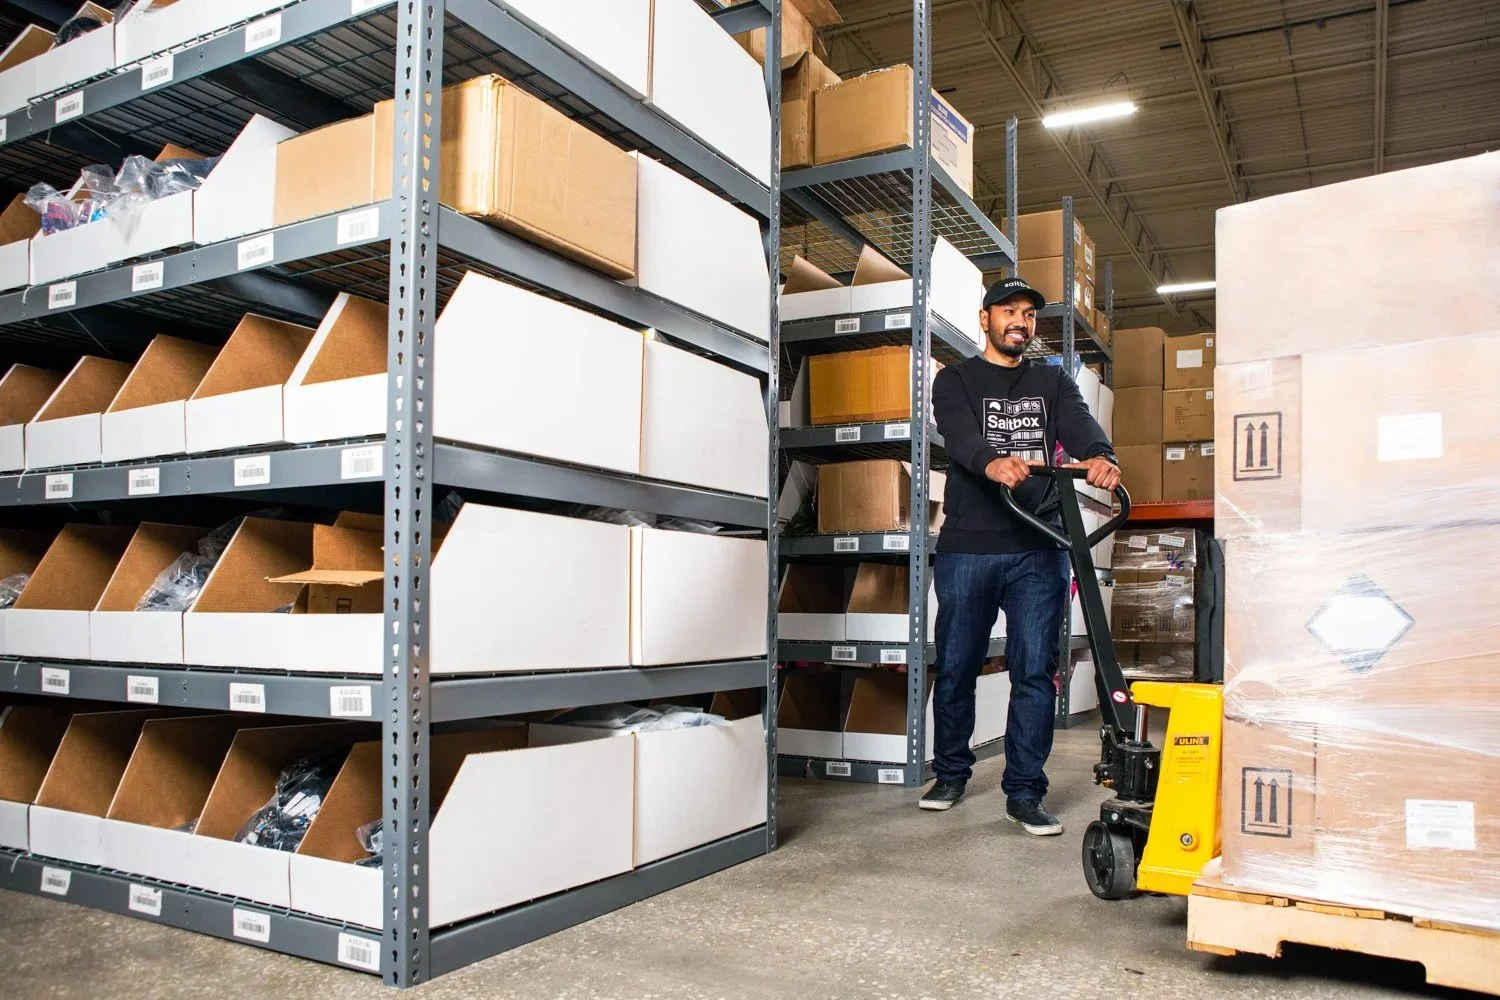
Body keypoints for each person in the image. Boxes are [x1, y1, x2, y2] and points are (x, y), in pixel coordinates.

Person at [919, 277, 1121, 835]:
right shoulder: (955, 380)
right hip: (970, 547)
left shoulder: (1051, 381)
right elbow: (958, 434)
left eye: (1028, 314)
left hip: (1039, 546)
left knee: (1035, 671)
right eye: (1008, 310)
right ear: (984, 319)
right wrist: (991, 461)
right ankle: (952, 773)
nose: (1019, 321)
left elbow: (1079, 425)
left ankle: (1025, 791)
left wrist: (1100, 456)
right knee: (958, 664)